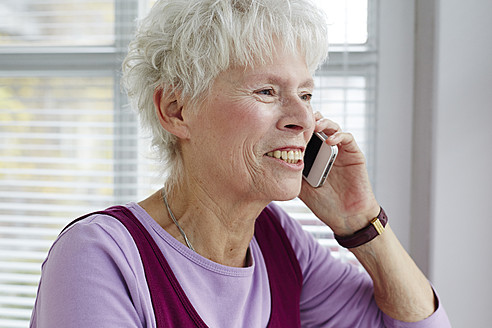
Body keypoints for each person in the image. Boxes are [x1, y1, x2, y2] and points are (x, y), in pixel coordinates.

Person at [30, 0, 451, 327]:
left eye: (305, 94)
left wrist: (361, 222)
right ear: (177, 110)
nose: (303, 119)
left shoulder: (277, 239)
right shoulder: (99, 256)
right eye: (267, 91)